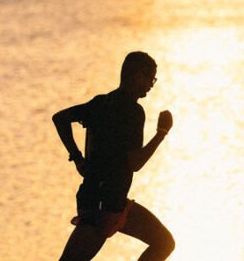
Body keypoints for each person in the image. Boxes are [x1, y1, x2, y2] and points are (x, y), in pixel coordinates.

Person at [53, 51, 175, 261]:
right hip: (104, 205)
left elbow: (60, 118)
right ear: (137, 76)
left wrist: (77, 158)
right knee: (163, 244)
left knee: (163, 242)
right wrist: (161, 133)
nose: (151, 85)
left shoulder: (100, 103)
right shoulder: (133, 111)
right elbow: (135, 163)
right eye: (150, 78)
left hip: (107, 201)